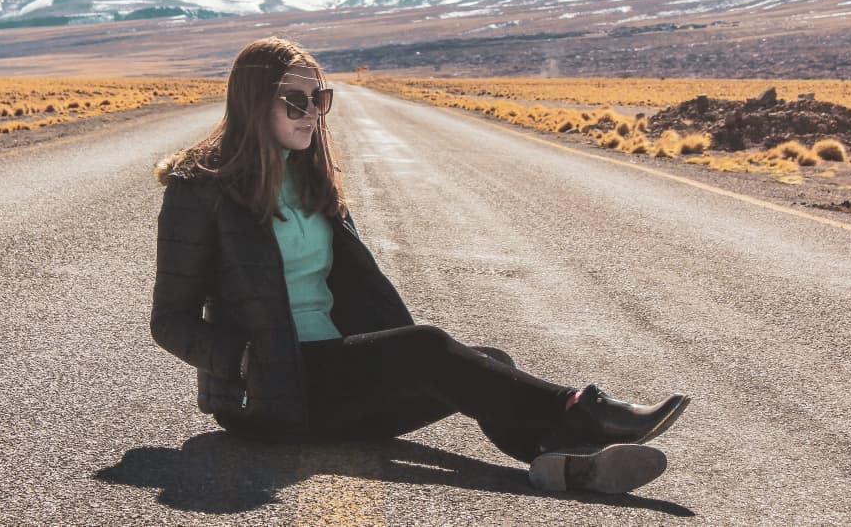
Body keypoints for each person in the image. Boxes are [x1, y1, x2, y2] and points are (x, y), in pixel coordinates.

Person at [150, 36, 690, 494]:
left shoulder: (309, 177)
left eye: (320, 99)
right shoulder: (199, 190)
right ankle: (583, 412)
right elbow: (168, 321)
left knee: (488, 362)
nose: (313, 112)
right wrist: (246, 362)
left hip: (331, 380)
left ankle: (566, 463)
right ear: (253, 103)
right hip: (267, 399)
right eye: (296, 101)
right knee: (428, 348)